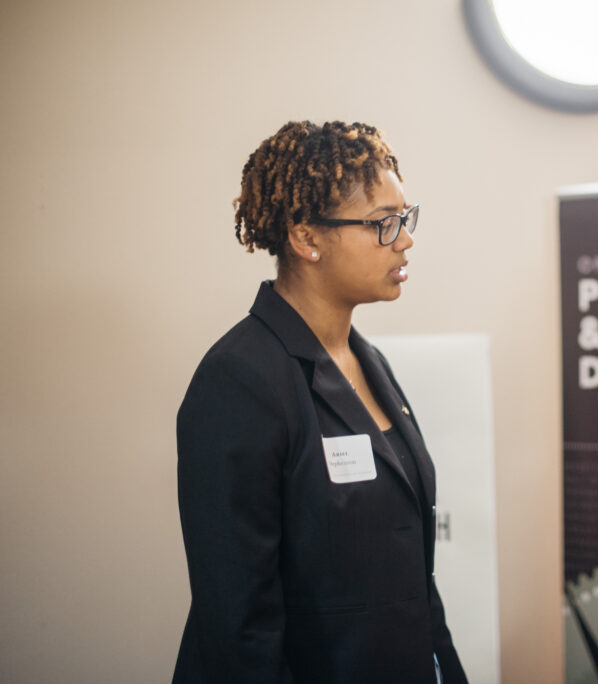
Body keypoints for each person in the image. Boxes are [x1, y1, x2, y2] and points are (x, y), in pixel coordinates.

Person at [173, 121, 468, 684]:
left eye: (405, 218)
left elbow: (412, 579)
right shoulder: (237, 380)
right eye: (383, 223)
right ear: (307, 238)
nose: (404, 239)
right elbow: (239, 624)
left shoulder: (367, 361)